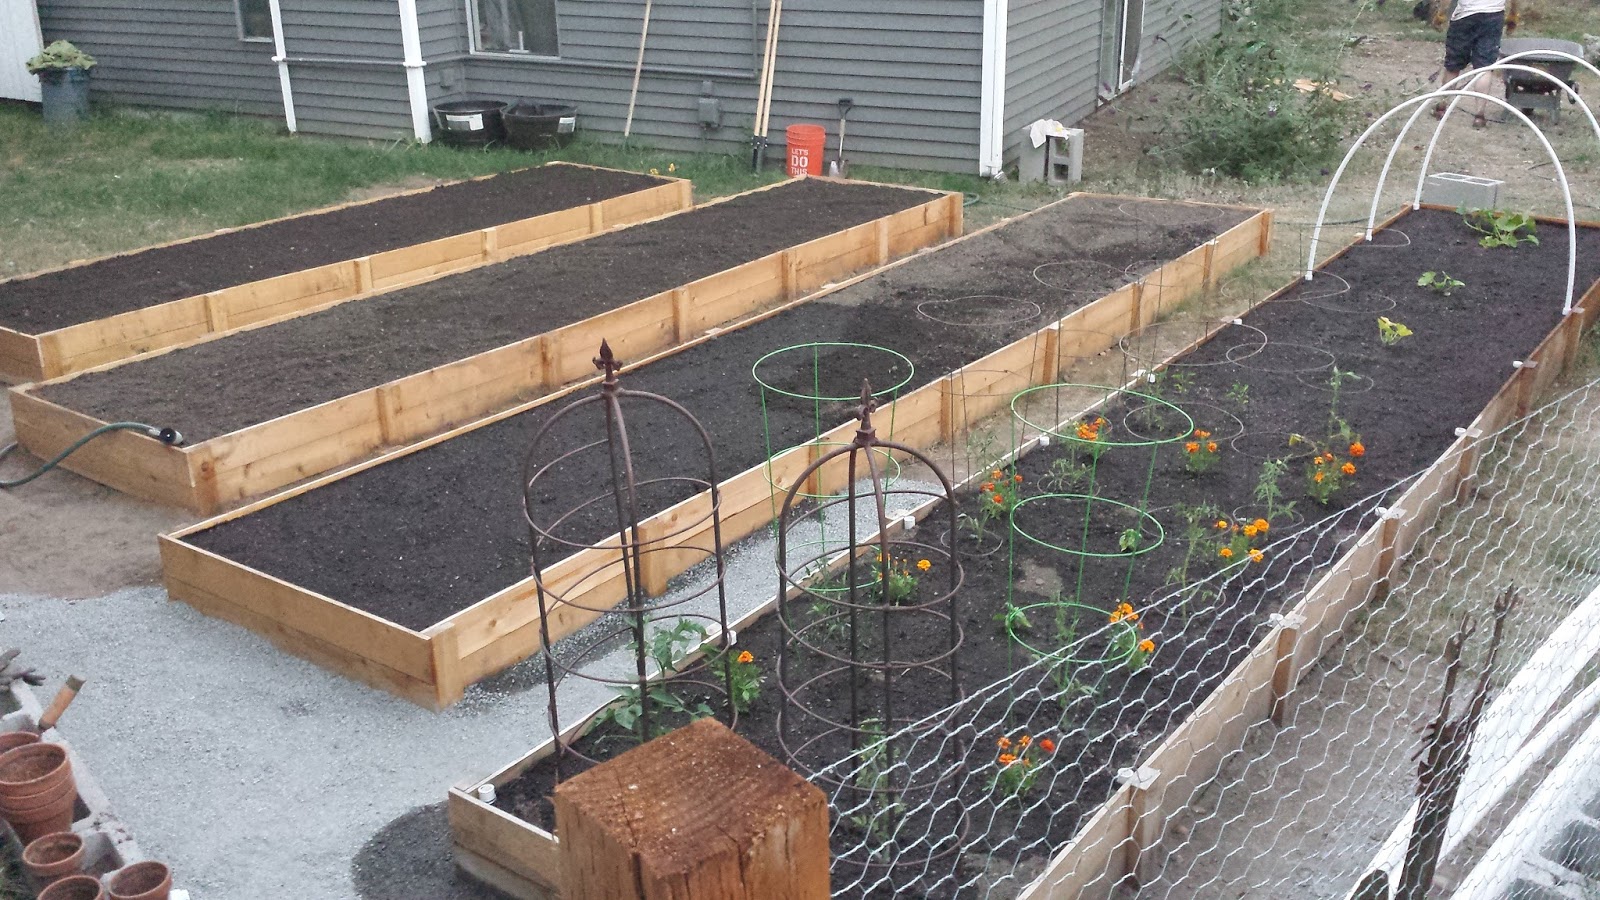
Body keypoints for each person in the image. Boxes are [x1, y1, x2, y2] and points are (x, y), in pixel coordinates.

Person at [1432, 0, 1516, 128]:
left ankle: (1442, 107)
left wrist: (1441, 14)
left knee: (1453, 66)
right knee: (1485, 68)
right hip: (1493, 15)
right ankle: (1479, 116)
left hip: (1464, 16)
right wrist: (1513, 13)